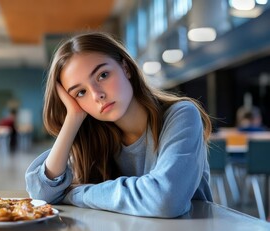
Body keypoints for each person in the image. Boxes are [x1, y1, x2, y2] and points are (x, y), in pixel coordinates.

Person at [25, 32, 213, 218]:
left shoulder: (181, 115)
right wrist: (73, 118)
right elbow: (42, 194)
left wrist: (76, 193)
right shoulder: (97, 138)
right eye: (81, 93)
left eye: (103, 75)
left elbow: (165, 200)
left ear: (126, 68)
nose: (97, 95)